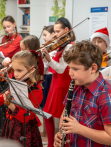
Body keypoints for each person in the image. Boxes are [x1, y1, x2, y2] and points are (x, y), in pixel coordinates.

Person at [54, 40, 111, 147]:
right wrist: (60, 133)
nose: (70, 73)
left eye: (75, 69)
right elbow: (64, 114)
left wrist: (79, 129)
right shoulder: (76, 87)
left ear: (93, 68)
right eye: (69, 68)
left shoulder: (107, 96)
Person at [0, 50, 44, 147]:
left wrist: (11, 105)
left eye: (19, 70)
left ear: (32, 69)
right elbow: (3, 98)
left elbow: (25, 117)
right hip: (11, 125)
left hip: (25, 130)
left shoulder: (36, 90)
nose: (15, 74)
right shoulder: (18, 83)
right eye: (14, 70)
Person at [41, 17, 76, 147]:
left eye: (57, 31)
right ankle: (52, 143)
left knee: (63, 117)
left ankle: (61, 144)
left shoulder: (69, 47)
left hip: (63, 84)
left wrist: (49, 59)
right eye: (54, 32)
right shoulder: (62, 46)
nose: (55, 34)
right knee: (47, 113)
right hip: (56, 83)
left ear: (66, 30)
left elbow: (61, 69)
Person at [39, 25, 56, 144]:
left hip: (50, 78)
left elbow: (47, 66)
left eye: (45, 35)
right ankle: (45, 132)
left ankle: (49, 136)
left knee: (47, 109)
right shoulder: (47, 48)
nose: (44, 38)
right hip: (46, 77)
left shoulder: (53, 49)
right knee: (44, 107)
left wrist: (43, 57)